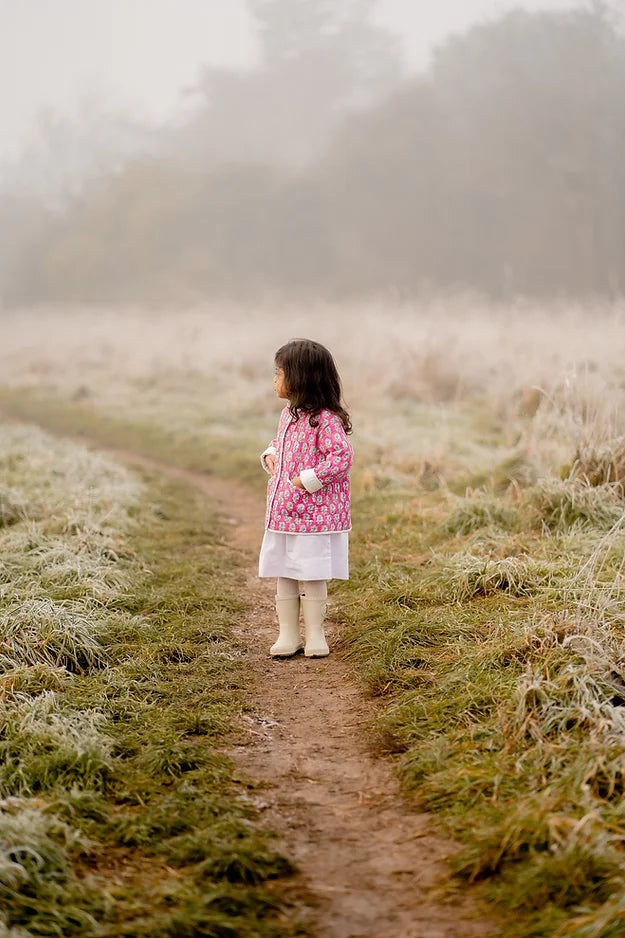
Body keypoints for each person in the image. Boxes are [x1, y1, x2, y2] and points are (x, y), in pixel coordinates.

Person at [259, 339, 353, 658]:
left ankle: (315, 634)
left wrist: (307, 479)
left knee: (311, 572)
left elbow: (341, 457)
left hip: (315, 515)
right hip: (285, 511)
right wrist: (271, 453)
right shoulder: (289, 415)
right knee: (284, 569)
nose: (274, 379)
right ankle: (288, 634)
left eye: (279, 372)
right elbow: (281, 442)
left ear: (300, 377)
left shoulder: (325, 420)